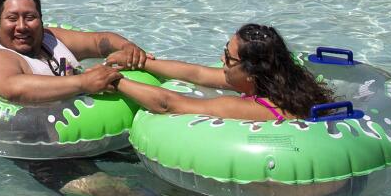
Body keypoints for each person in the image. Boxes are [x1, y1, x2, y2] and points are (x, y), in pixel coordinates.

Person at [114, 23, 335, 123]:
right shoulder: (284, 83)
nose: (222, 60)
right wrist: (141, 63)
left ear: (250, 72)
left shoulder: (247, 107)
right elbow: (198, 73)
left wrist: (114, 81)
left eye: (228, 57)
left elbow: (168, 104)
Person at [0, 0, 151, 104]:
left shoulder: (50, 38)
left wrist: (128, 47)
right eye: (12, 18)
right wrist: (84, 82)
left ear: (40, 20)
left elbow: (98, 41)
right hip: (36, 144)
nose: (22, 26)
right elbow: (12, 89)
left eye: (30, 17)